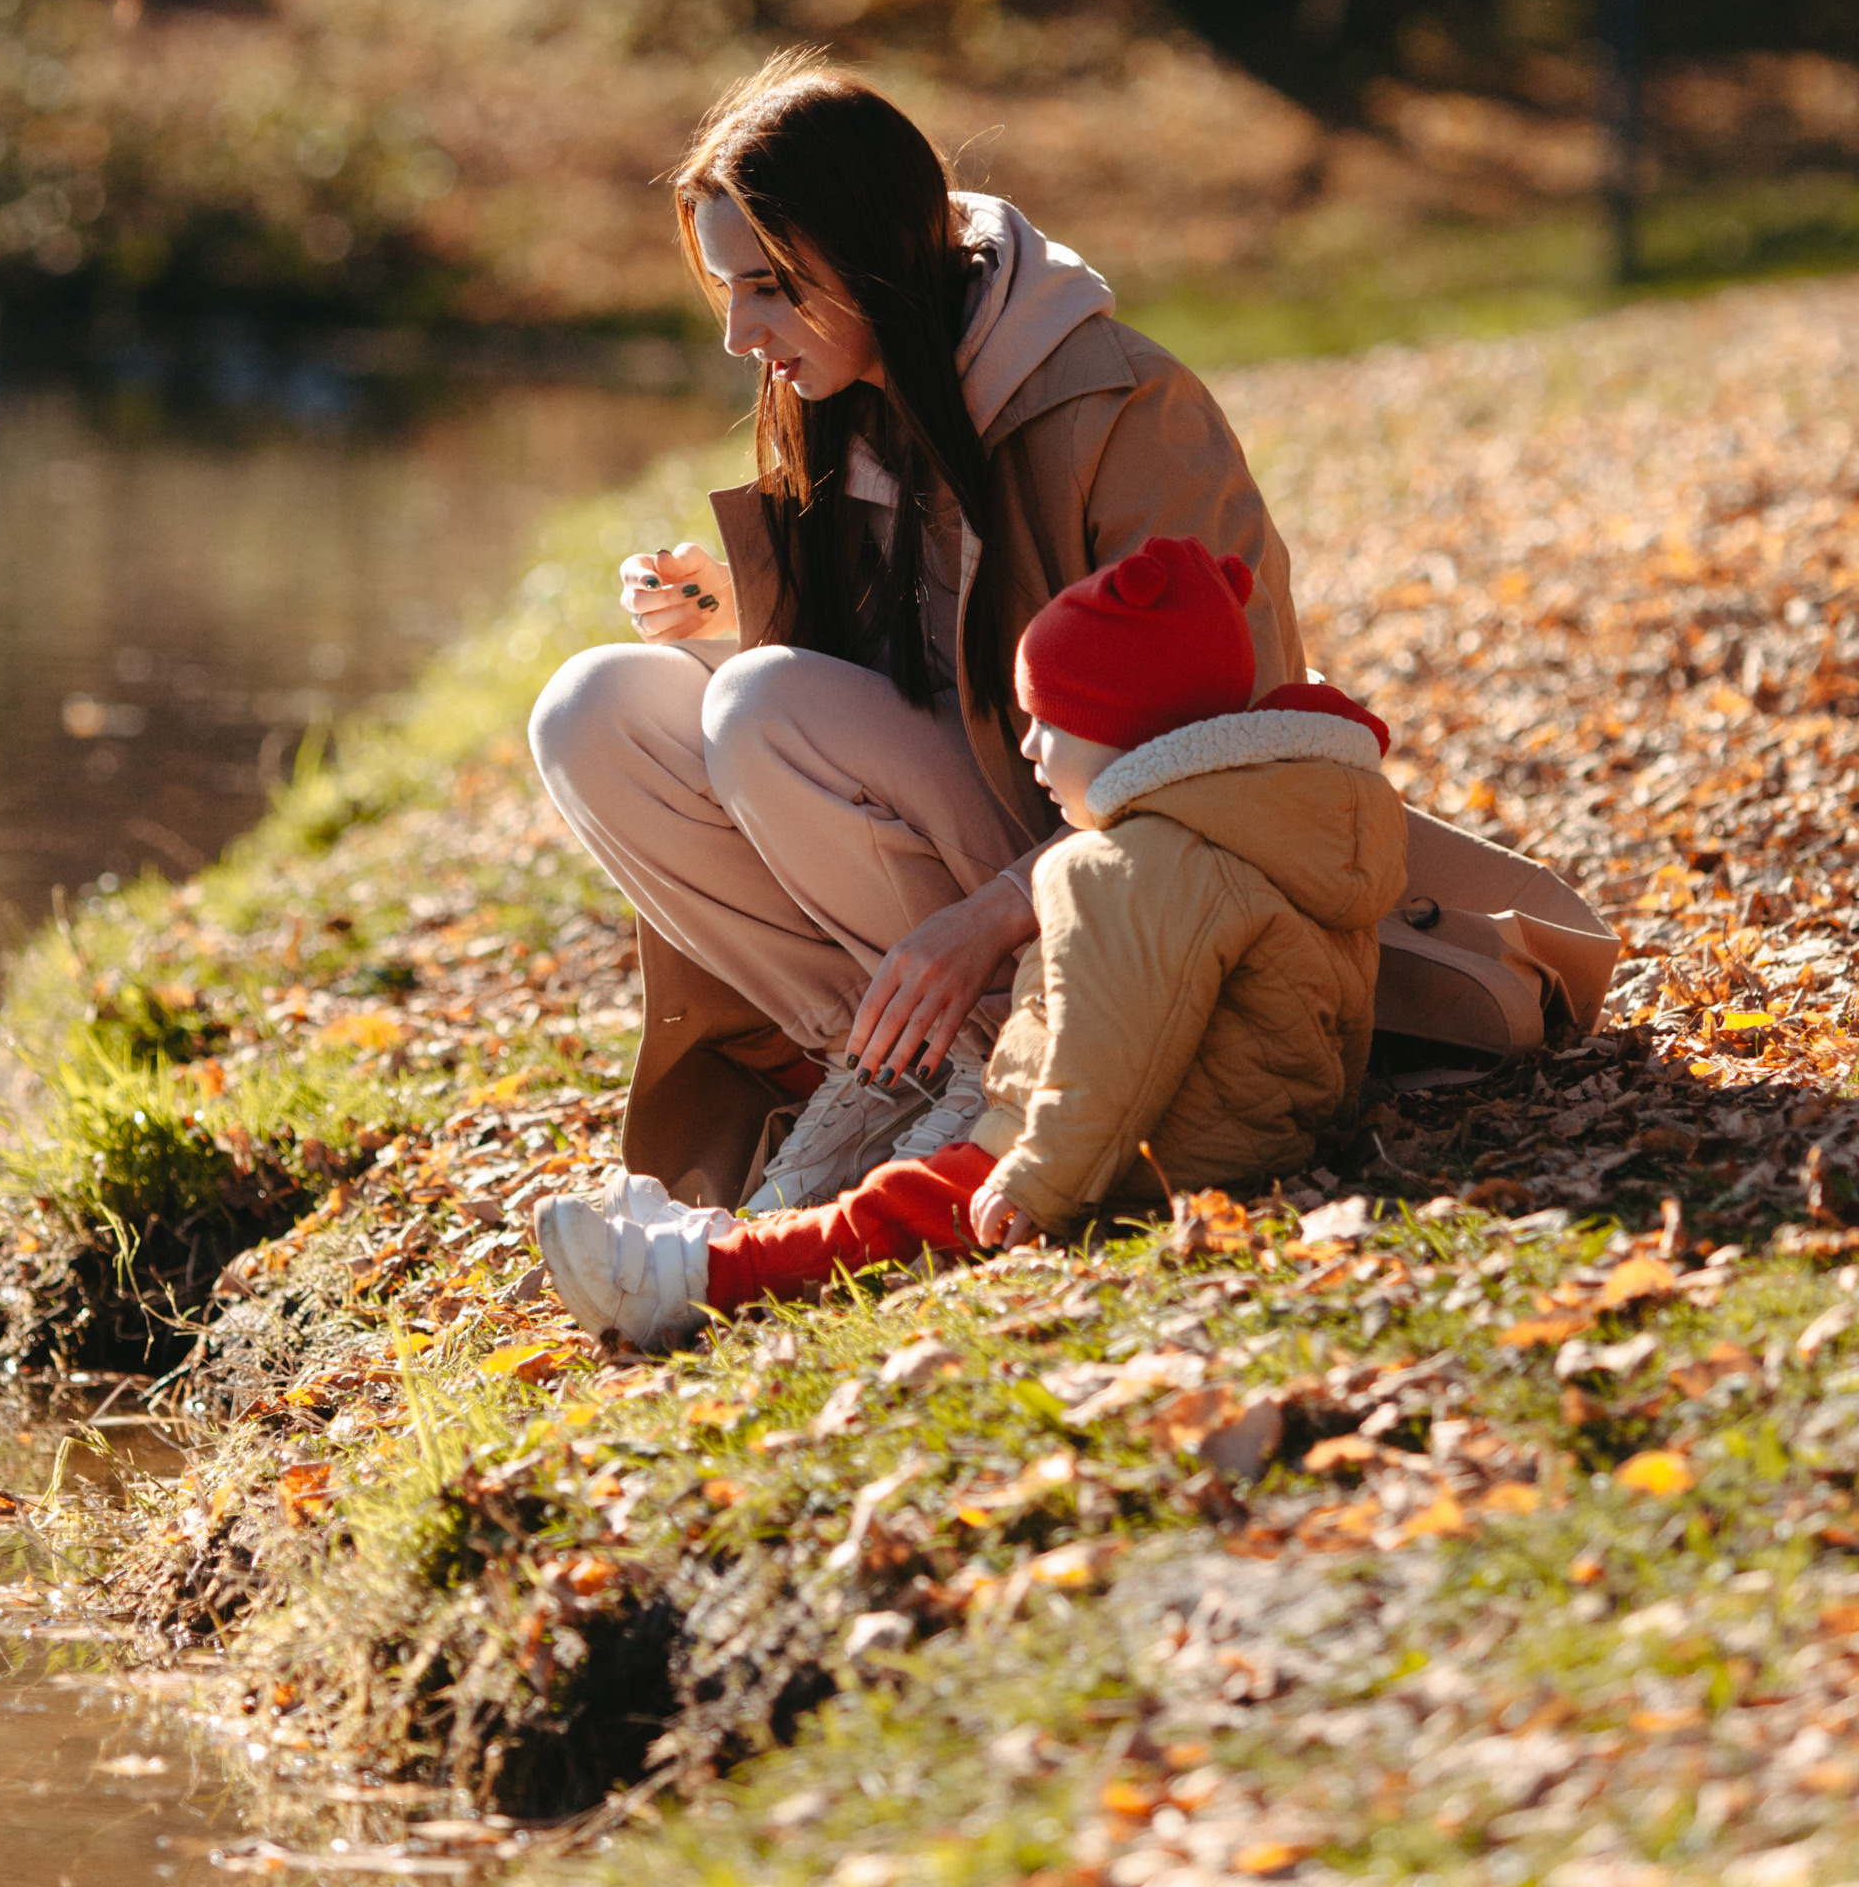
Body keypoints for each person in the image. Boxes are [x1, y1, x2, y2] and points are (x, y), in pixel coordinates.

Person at [527, 55, 1308, 1220]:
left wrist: (990, 914)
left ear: (874, 256)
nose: (739, 334)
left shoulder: (1123, 412)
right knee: (592, 706)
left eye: (770, 288)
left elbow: (1230, 756)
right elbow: (912, 666)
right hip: (975, 851)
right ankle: (891, 1062)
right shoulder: (843, 391)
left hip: (1113, 895)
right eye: (725, 291)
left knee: (759, 706)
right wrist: (732, 615)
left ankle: (998, 1041)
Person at [533, 533, 1407, 1348]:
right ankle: (716, 1240)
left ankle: (702, 1276)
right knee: (898, 1205)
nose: (1026, 747)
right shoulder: (1251, 822)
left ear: (1126, 737)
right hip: (1190, 1126)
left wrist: (1039, 1178)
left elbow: (1116, 1060)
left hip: (1143, 1145)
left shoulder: (1131, 872)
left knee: (898, 1216)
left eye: (1051, 725)